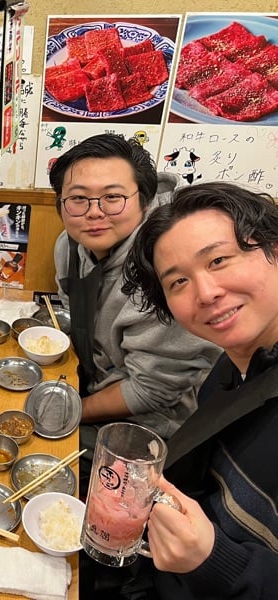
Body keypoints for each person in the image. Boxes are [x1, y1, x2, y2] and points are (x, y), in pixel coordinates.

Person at [121, 181, 278, 599]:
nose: (206, 293)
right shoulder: (229, 372)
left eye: (219, 260)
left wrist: (218, 561)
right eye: (178, 282)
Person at [50, 133, 220, 493]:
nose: (94, 212)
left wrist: (70, 410)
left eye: (113, 197)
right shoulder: (69, 246)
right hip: (92, 386)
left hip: (152, 431)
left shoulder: (163, 269)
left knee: (36, 453)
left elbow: (151, 392)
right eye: (78, 198)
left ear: (143, 199)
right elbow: (69, 313)